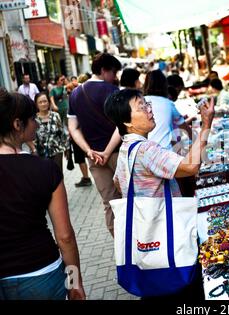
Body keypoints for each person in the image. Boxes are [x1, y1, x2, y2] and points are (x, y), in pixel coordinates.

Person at [103, 88, 214, 300]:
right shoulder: (145, 149)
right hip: (167, 234)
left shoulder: (127, 149)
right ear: (127, 122)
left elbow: (118, 182)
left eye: (147, 103)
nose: (149, 109)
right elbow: (190, 167)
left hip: (147, 235)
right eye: (141, 106)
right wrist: (206, 126)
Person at [0, 88, 85, 300]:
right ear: (17, 124)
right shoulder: (44, 169)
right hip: (42, 273)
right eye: (32, 119)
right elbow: (65, 237)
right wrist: (74, 283)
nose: (36, 124)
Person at [68, 52, 122, 237]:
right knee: (130, 197)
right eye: (113, 72)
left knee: (109, 202)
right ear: (103, 70)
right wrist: (107, 151)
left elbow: (73, 128)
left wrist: (88, 150)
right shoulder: (112, 91)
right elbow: (122, 125)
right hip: (118, 153)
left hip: (94, 158)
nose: (114, 77)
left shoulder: (75, 93)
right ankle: (138, 243)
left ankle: (119, 246)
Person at [143, 69, 192, 152]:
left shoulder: (140, 102)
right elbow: (185, 128)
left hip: (146, 152)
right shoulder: (168, 103)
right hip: (165, 153)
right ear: (165, 85)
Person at [33, 92, 67, 171]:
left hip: (57, 150)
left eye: (45, 101)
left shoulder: (55, 115)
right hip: (41, 152)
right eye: (40, 102)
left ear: (48, 102)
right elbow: (31, 137)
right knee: (46, 175)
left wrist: (66, 148)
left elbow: (62, 133)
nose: (43, 104)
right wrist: (33, 150)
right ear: (36, 105)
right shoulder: (34, 119)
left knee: (58, 174)